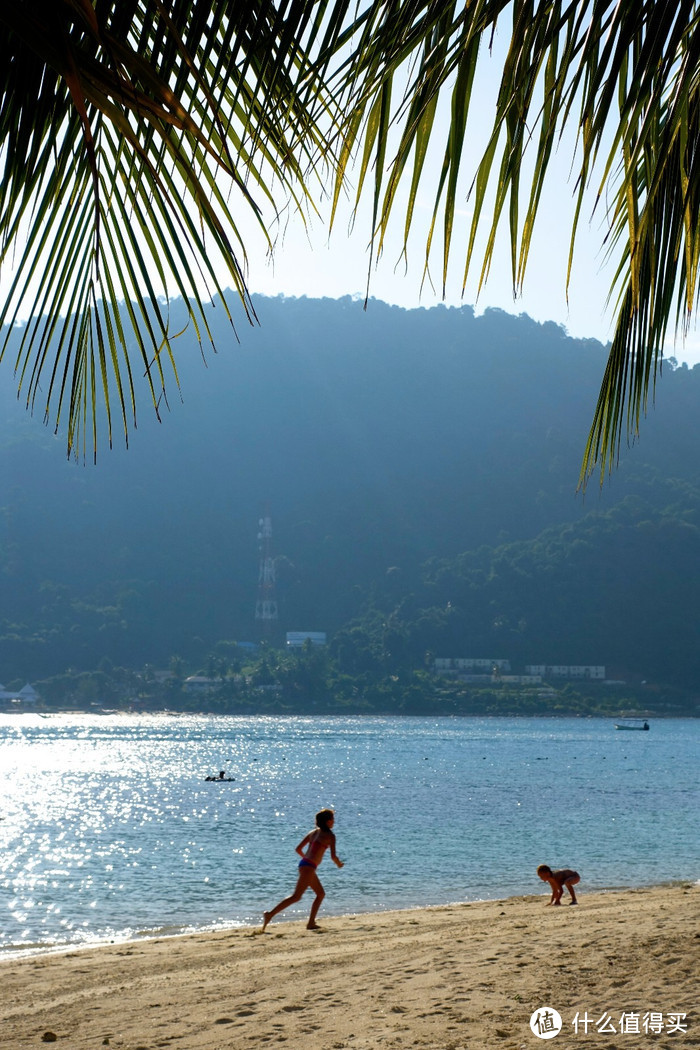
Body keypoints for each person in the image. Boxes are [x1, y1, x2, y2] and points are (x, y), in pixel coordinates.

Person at [262, 809, 344, 931]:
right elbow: (333, 856)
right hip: (309, 867)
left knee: (320, 894)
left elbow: (298, 849)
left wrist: (307, 860)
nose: (334, 822)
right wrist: (339, 864)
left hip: (304, 864)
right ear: (328, 822)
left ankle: (311, 923)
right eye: (333, 819)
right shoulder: (330, 836)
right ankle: (270, 914)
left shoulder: (313, 833)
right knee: (296, 896)